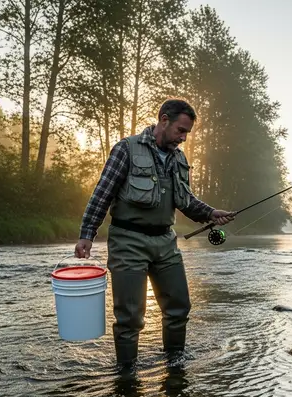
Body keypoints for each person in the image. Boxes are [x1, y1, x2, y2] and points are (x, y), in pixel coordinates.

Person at [74, 99, 235, 366]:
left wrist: (210, 213)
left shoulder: (179, 159)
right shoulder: (126, 149)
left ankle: (175, 366)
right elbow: (102, 194)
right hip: (128, 241)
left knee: (179, 308)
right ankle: (126, 376)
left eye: (187, 133)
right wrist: (86, 235)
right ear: (163, 120)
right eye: (180, 130)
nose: (183, 138)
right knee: (130, 317)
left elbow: (186, 201)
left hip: (165, 242)